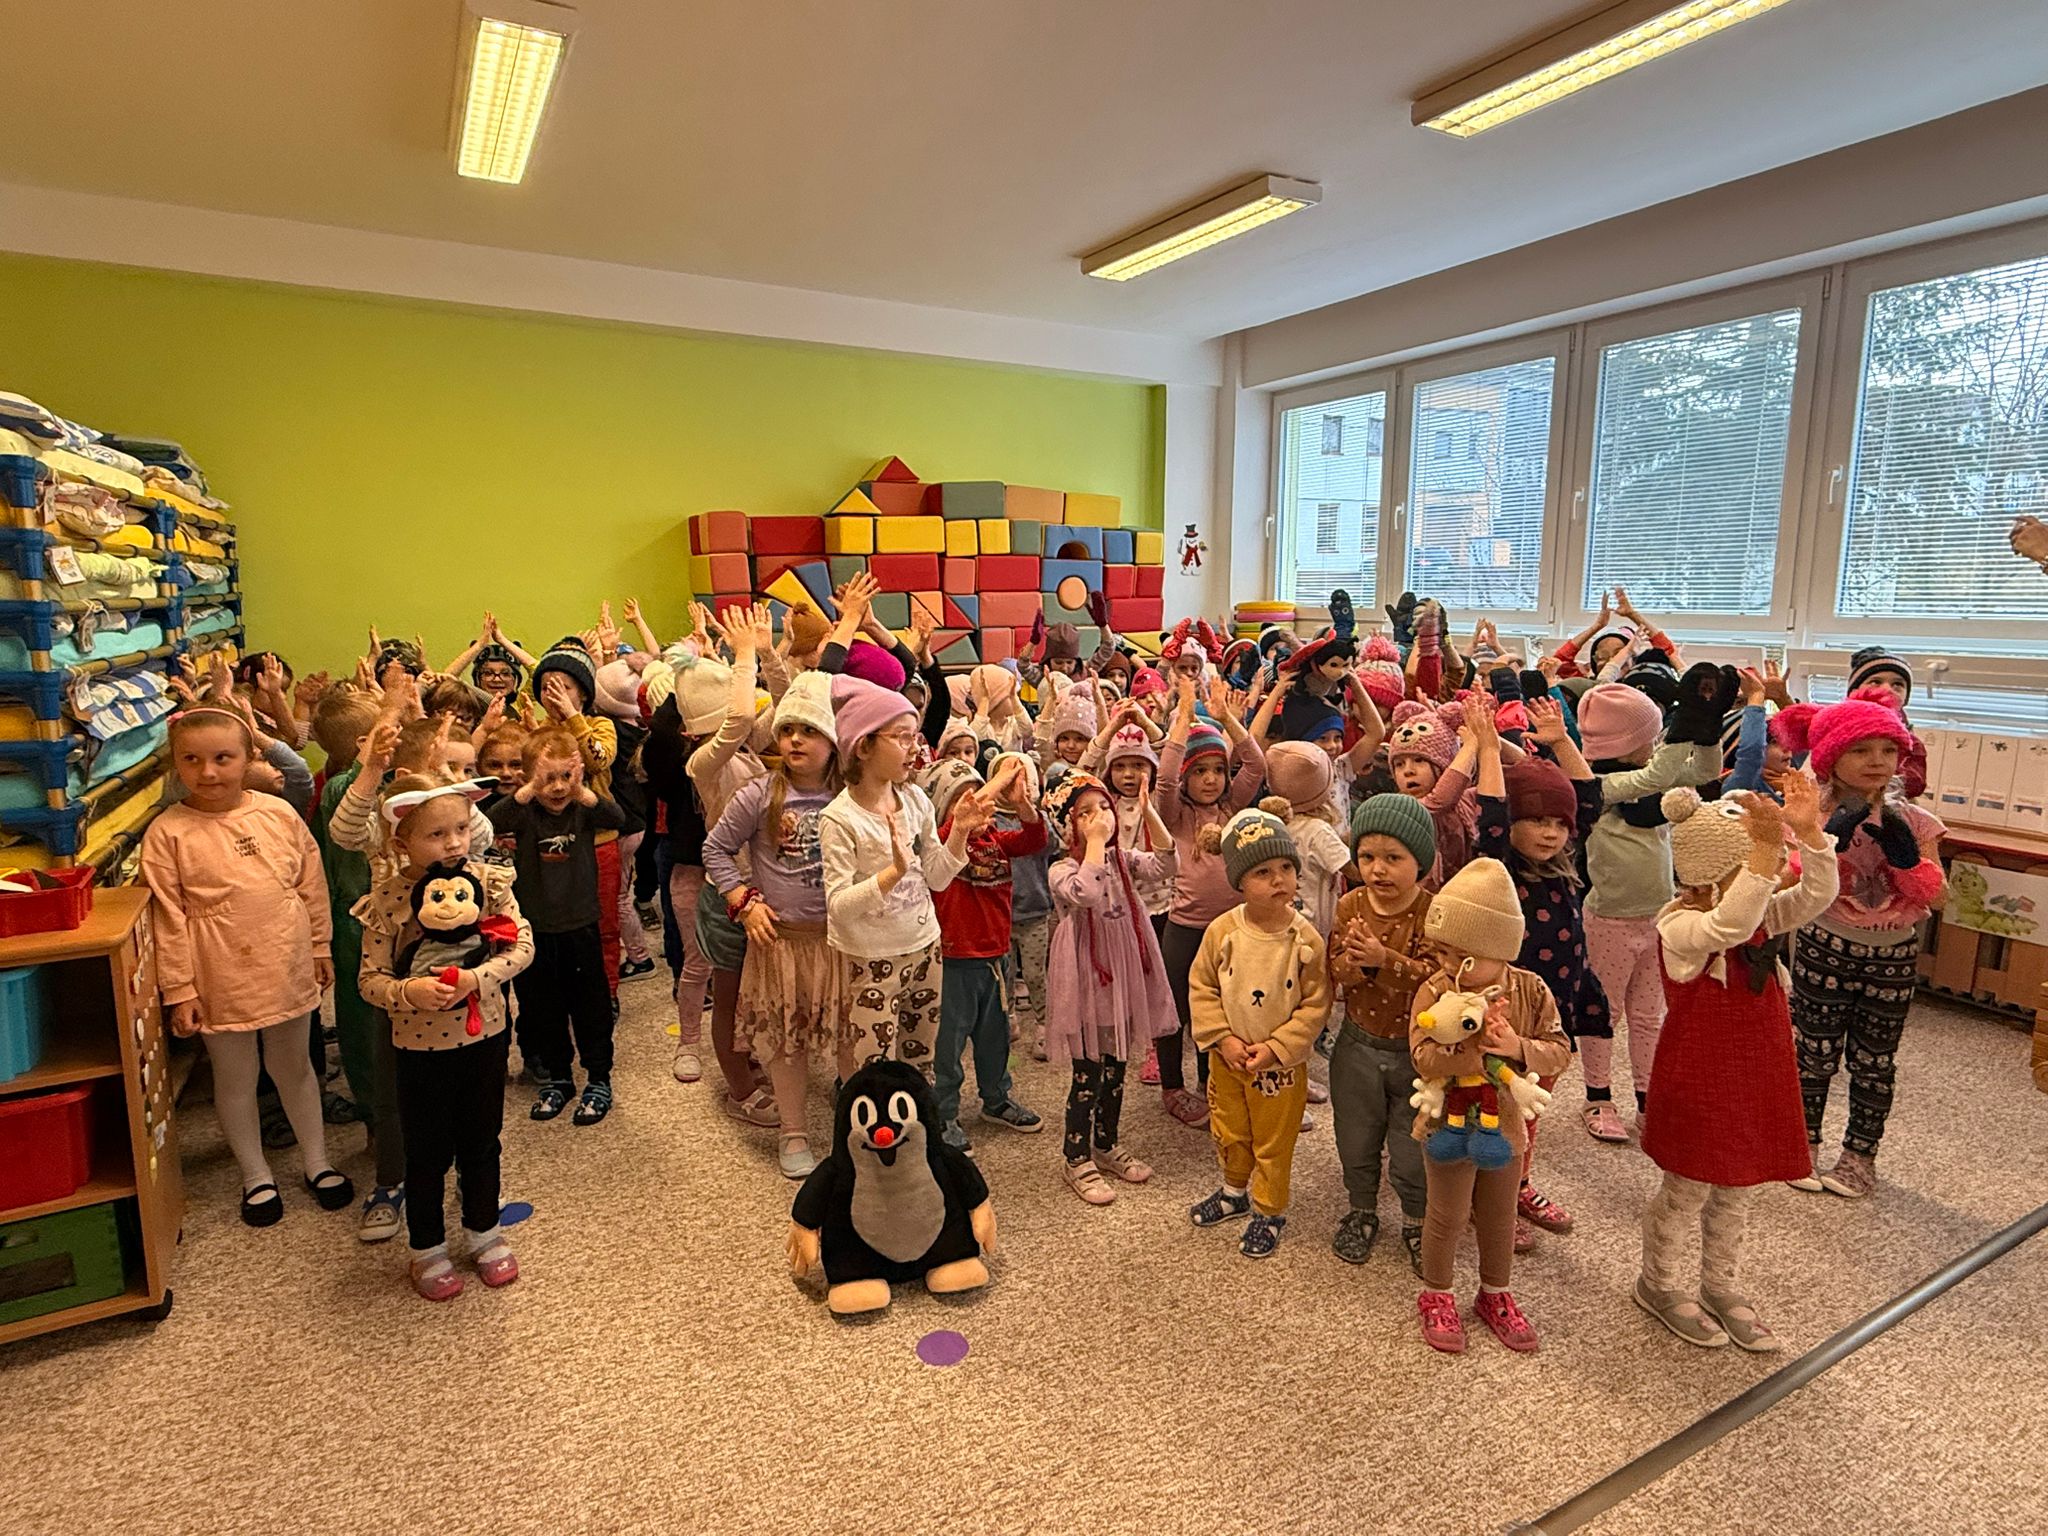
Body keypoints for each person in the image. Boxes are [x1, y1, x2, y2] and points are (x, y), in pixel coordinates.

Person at [1637, 775, 1836, 1350]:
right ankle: (1658, 1283)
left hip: (1755, 1078)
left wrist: (1810, 836)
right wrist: (1766, 853)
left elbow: (1817, 896)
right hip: (1699, 1082)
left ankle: (1720, 1285)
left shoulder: (1760, 914)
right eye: (1749, 867)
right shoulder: (1680, 925)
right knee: (1687, 1191)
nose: (1766, 877)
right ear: (1703, 878)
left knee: (1737, 1190)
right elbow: (1730, 925)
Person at [140, 707, 351, 1228]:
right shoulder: (167, 833)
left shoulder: (278, 814)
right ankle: (256, 1175)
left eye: (222, 758)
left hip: (285, 959)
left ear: (250, 757)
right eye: (192, 760)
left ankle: (317, 1162)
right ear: (175, 763)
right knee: (236, 1077)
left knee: (295, 1067)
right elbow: (167, 918)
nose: (208, 771)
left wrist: (320, 946)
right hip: (218, 971)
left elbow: (311, 883)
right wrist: (179, 989)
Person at [354, 776, 534, 1299]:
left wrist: (478, 978)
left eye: (460, 829)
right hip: (419, 1048)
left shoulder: (489, 883)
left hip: (485, 1035)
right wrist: (408, 992)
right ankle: (427, 1248)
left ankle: (484, 1232)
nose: (453, 843)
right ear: (401, 842)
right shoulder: (388, 901)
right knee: (426, 1151)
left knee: (482, 1140)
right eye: (436, 835)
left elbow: (522, 946)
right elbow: (369, 980)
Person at [1778, 694, 1945, 1198]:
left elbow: (1935, 894)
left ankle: (1859, 1157)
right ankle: (1800, 1145)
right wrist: (1823, 841)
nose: (1877, 761)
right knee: (1812, 1052)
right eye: (1861, 750)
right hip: (1826, 943)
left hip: (1893, 953)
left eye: (1888, 750)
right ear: (1832, 757)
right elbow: (1789, 884)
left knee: (1875, 1062)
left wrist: (1907, 858)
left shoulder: (1916, 821)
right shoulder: (1807, 813)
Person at [1410, 857, 1571, 1354]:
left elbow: (1560, 1050)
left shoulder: (1531, 990)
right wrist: (1468, 1054)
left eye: (1463, 958)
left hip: (1505, 1126)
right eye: (1441, 952)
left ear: (1500, 949)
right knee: (1448, 1214)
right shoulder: (1435, 991)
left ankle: (1495, 1293)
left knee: (1499, 1217)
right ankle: (1436, 1293)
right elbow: (1420, 1056)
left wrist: (1516, 1047)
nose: (1447, 966)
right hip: (1447, 1123)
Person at [701, 671, 845, 1179]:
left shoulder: (849, 795)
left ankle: (857, 1125)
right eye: (787, 731)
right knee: (787, 1042)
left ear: (834, 741)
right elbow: (715, 849)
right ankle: (793, 1130)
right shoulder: (758, 795)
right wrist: (743, 900)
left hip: (842, 941)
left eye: (809, 731)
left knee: (850, 1036)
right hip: (782, 943)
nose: (795, 740)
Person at [1472, 697, 1605, 1245]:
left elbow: (1589, 800)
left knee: (1531, 1108)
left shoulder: (1571, 868)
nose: (1551, 833)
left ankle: (1517, 1184)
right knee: (1495, 1108)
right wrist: (1487, 748)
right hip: (1508, 1014)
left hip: (1555, 1014)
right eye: (1536, 821)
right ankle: (1488, 1196)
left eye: (1558, 824)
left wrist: (1561, 741)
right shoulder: (1501, 870)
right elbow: (1491, 818)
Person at [1577, 673, 1725, 1132]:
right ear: (1624, 743)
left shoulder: (1649, 776)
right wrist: (1681, 730)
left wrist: (1707, 729)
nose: (1657, 744)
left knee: (1649, 1016)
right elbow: (1654, 776)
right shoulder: (1598, 785)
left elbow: (1705, 772)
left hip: (1659, 916)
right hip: (1609, 921)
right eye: (1650, 736)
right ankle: (1598, 1098)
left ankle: (1648, 1096)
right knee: (1604, 1013)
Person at [1187, 808, 1331, 1258]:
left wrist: (1277, 1048)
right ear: (1240, 881)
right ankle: (1234, 1192)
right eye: (1263, 872)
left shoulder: (1305, 939)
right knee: (1230, 1130)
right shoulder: (1222, 931)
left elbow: (1316, 1004)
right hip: (1227, 1058)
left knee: (1273, 1140)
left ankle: (1269, 1210)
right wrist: (1222, 1039)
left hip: (1278, 1069)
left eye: (1286, 867)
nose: (1279, 880)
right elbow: (1202, 986)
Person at [820, 674, 976, 1072]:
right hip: (871, 958)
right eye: (902, 737)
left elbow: (937, 878)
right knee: (873, 1068)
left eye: (915, 736)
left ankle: (916, 1113)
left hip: (924, 946)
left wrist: (959, 831)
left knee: (920, 1061)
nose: (916, 747)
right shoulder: (839, 818)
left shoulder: (915, 799)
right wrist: (893, 873)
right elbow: (838, 907)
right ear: (864, 745)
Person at [1043, 772, 1179, 1206]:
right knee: (1088, 1070)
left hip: (1122, 970)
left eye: (1103, 808)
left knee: (1116, 1065)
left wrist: (1150, 812)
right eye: (1085, 813)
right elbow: (1085, 893)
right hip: (1087, 975)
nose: (1100, 817)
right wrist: (1096, 842)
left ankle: (1105, 1143)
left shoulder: (1122, 858)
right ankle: (1075, 1157)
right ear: (1068, 826)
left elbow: (1167, 865)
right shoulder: (1063, 868)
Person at [489, 726, 627, 1125]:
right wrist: (526, 791)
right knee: (542, 1007)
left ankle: (598, 1077)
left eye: (566, 776)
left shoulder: (582, 809)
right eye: (548, 778)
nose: (558, 787)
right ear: (530, 777)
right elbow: (492, 820)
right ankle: (558, 1077)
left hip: (580, 925)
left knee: (590, 1007)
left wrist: (584, 792)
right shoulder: (524, 811)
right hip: (535, 931)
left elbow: (617, 817)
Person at [1327, 794, 1437, 1274]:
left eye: (1394, 858)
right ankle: (1362, 1209)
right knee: (1355, 1135)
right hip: (1357, 1043)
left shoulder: (1433, 911)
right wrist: (1354, 966)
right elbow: (1335, 971)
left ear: (1420, 862)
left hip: (1416, 1050)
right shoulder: (1350, 904)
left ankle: (1416, 1219)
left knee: (1413, 1145)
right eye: (1367, 856)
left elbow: (1438, 981)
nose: (1378, 869)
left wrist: (1382, 960)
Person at [1153, 674, 1267, 1127]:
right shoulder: (1176, 814)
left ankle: (1209, 1080)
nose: (1211, 779)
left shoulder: (1230, 808)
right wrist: (1184, 716)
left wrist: (1227, 720)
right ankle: (1172, 1087)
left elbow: (1255, 764)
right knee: (1175, 1011)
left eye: (1218, 770)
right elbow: (1164, 779)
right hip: (1185, 929)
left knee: (1219, 1010)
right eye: (1200, 771)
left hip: (1229, 930)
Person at [923, 756, 1048, 1154]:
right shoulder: (942, 844)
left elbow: (1035, 840)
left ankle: (996, 1099)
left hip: (996, 958)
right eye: (965, 801)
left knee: (996, 1039)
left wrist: (1022, 804)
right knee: (948, 1046)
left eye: (980, 799)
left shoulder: (996, 840)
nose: (979, 807)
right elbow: (946, 836)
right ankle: (944, 1113)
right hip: (955, 962)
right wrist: (994, 783)